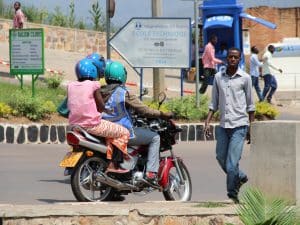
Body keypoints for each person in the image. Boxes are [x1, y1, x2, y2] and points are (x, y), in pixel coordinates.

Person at [100, 61, 173, 184]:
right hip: (122, 131)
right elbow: (144, 110)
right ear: (122, 75)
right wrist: (162, 114)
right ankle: (151, 172)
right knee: (155, 137)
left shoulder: (100, 92)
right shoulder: (124, 93)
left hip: (104, 130)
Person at [204, 47, 255, 203]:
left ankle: (232, 194)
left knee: (232, 163)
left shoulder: (245, 78)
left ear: (239, 59)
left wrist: (251, 127)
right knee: (221, 158)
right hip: (223, 125)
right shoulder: (219, 77)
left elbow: (250, 105)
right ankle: (241, 177)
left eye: (236, 57)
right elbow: (214, 102)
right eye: (230, 57)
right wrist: (207, 120)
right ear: (227, 58)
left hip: (239, 125)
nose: (233, 59)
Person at [67, 58, 130, 173]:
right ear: (93, 71)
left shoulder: (71, 85)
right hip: (92, 124)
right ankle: (113, 164)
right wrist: (105, 110)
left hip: (74, 125)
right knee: (123, 132)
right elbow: (101, 106)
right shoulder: (94, 85)